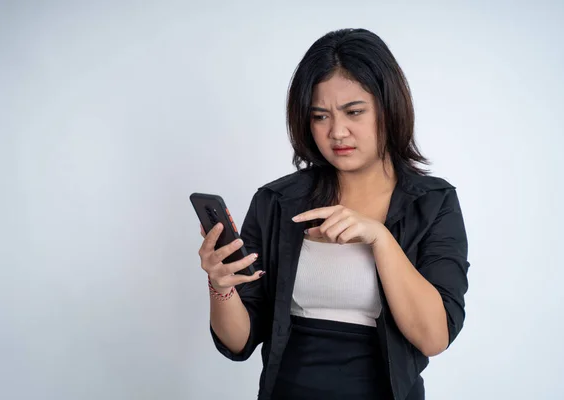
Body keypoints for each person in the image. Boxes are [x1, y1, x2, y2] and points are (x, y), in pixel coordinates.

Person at [198, 28, 470, 400]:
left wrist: (380, 238)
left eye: (354, 112)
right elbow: (240, 341)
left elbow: (433, 337)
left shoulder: (432, 202)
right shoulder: (277, 201)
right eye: (320, 116)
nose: (337, 132)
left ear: (389, 108)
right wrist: (221, 286)